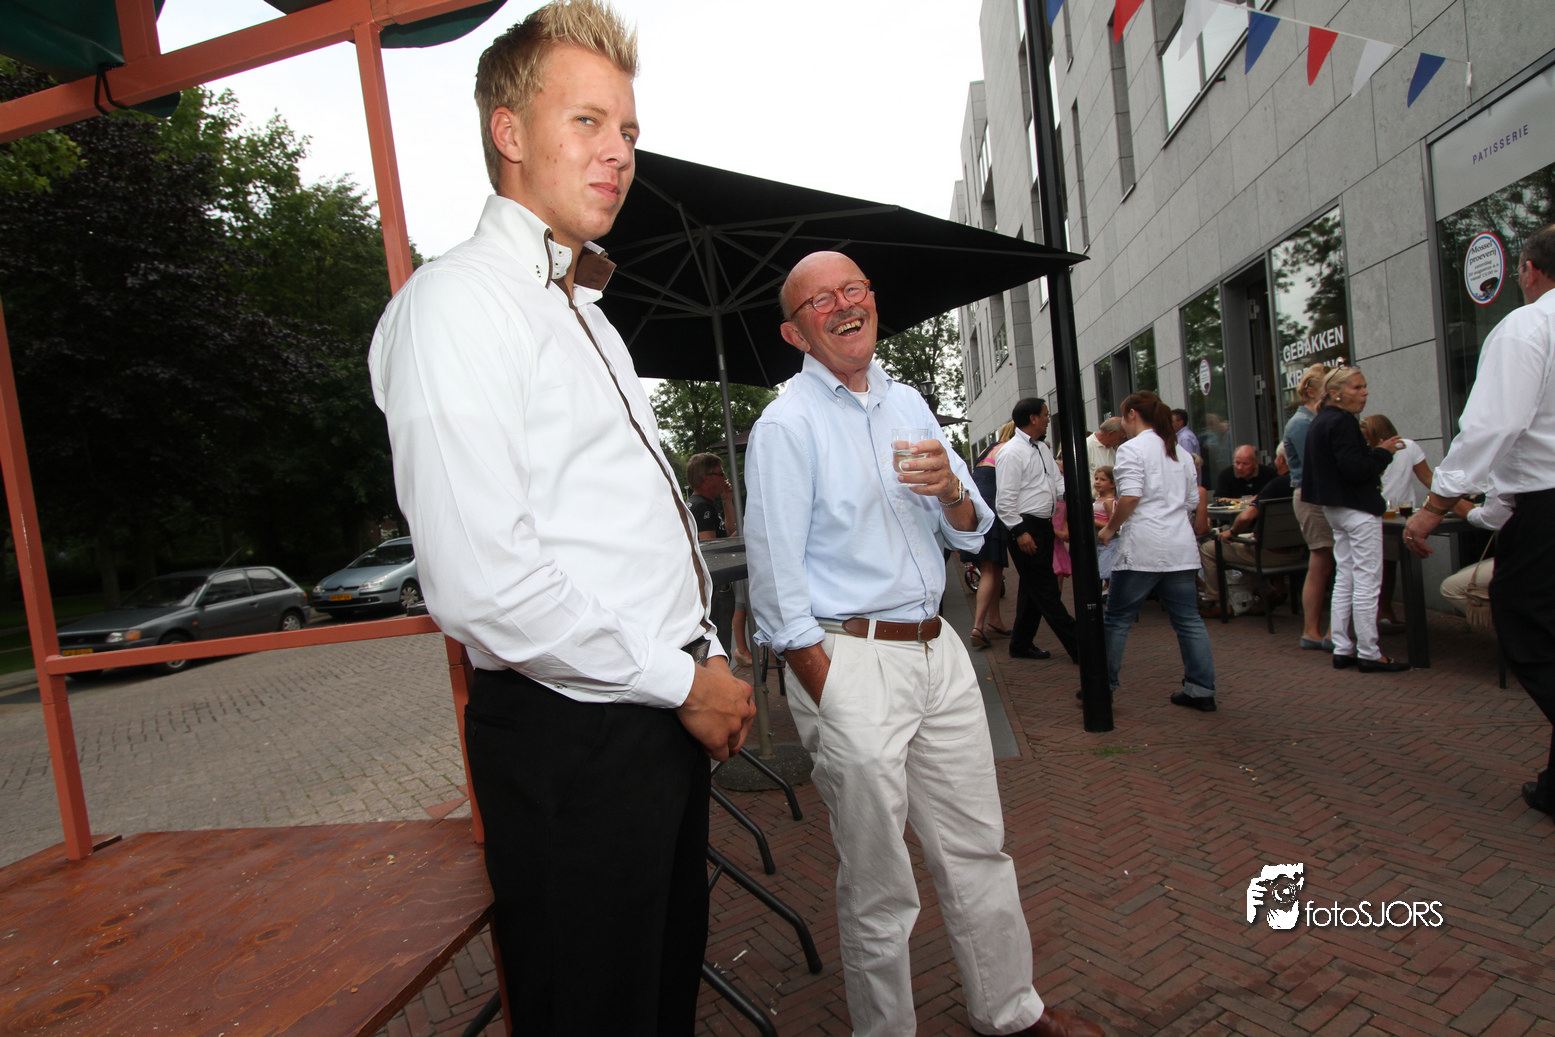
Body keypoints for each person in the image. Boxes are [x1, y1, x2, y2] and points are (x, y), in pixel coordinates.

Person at [367, 5, 756, 1032]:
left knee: (656, 1005)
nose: (619, 153)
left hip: (649, 712)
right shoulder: (457, 304)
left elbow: (634, 528)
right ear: (508, 131)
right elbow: (482, 585)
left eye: (627, 130)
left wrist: (705, 654)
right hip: (573, 736)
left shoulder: (586, 312)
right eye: (587, 122)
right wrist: (686, 679)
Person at [744, 250, 1101, 1037]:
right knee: (879, 879)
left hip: (938, 649)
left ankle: (1008, 1011)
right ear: (794, 332)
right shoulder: (787, 425)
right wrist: (826, 683)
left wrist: (948, 491)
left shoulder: (907, 403)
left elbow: (972, 530)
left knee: (977, 846)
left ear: (872, 300)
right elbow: (773, 582)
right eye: (820, 300)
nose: (844, 304)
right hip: (851, 656)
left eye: (854, 288)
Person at [1404, 223, 1555, 820]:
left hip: (1548, 509)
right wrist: (1491, 509)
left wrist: (1436, 505)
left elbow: (1496, 424)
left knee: (1524, 622)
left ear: (1530, 271)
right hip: (1536, 502)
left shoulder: (1528, 325)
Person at [1097, 391, 1217, 712]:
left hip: (1143, 546)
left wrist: (1110, 528)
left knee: (1117, 619)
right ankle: (1201, 689)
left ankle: (1103, 686)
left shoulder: (1131, 449)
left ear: (1132, 414)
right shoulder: (1179, 452)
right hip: (1180, 547)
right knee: (1188, 620)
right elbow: (1191, 500)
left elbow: (1130, 497)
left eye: (1123, 416)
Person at [1301, 367, 1409, 673]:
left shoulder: (1321, 421)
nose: (1365, 392)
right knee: (1366, 581)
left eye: (1364, 386)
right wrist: (1383, 453)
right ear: (1336, 393)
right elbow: (1355, 468)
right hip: (1357, 508)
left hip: (1336, 508)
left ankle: (1343, 647)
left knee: (1346, 577)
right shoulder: (1342, 422)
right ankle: (1369, 652)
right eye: (1358, 387)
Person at [997, 397, 1081, 662]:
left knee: (1033, 588)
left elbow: (1057, 482)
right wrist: (1019, 531)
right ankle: (1080, 646)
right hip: (1026, 526)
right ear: (1033, 418)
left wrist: (1076, 499)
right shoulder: (1011, 453)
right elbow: (1004, 500)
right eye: (1045, 414)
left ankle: (1021, 644)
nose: (1047, 418)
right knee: (1046, 589)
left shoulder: (1042, 448)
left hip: (1043, 525)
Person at [1198, 446, 1302, 617]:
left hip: (1268, 554)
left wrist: (1232, 532)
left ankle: (1218, 602)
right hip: (1299, 552)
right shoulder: (1304, 483)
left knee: (1210, 548)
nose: (1240, 467)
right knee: (1243, 544)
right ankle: (1268, 592)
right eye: (1237, 463)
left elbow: (1246, 517)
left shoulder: (1276, 484)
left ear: (1282, 460)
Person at [1360, 414, 1433, 630]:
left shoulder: (1406, 447)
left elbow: (1428, 478)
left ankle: (1385, 612)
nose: (1365, 441)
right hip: (1380, 513)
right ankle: (1381, 613)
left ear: (1379, 436)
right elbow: (1428, 478)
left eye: (1368, 437)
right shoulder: (1368, 451)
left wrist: (1450, 496)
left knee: (1390, 563)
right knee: (1383, 565)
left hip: (1397, 514)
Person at [1283, 363, 1335, 650]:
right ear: (1313, 391)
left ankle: (1316, 631)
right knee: (1321, 561)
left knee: (1323, 562)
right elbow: (1317, 465)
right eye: (1329, 387)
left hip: (1317, 496)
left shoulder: (1310, 420)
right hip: (1313, 497)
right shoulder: (1303, 424)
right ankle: (1313, 631)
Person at [687, 452, 753, 667]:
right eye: (721, 473)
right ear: (706, 478)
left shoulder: (701, 504)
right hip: (715, 589)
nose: (725, 478)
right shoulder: (701, 507)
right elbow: (712, 551)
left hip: (709, 589)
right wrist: (747, 532)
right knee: (718, 641)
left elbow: (729, 530)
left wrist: (726, 500)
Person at [968, 421, 1017, 649]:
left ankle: (995, 622)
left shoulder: (988, 451)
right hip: (992, 512)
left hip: (979, 512)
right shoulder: (1007, 451)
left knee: (995, 569)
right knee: (990, 569)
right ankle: (978, 626)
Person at [1092, 465, 1118, 590]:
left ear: (1112, 484)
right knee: (1102, 568)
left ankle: (1112, 591)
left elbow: (1115, 525)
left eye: (1103, 479)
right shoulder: (1098, 499)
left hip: (1109, 541)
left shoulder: (1109, 501)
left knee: (1107, 569)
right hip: (1099, 540)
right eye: (1096, 478)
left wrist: (1095, 522)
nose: (1097, 482)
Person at [1084, 417, 1125, 485]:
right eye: (1122, 436)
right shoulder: (1087, 447)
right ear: (1111, 434)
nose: (1122, 440)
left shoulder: (1111, 449)